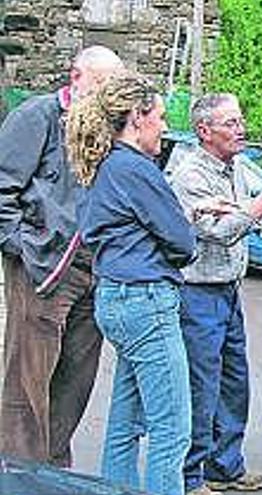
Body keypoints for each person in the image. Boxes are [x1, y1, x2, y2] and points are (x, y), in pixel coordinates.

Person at [167, 93, 262, 495]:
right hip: (197, 295)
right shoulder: (190, 176)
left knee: (235, 382)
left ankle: (225, 467)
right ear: (204, 130)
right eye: (231, 123)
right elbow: (224, 228)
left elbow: (249, 209)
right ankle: (191, 477)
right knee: (203, 386)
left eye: (240, 120)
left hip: (228, 292)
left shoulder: (231, 167)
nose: (241, 128)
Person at [67, 71, 197, 495]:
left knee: (125, 424)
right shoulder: (136, 169)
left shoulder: (106, 166)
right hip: (146, 303)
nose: (164, 126)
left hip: (116, 300)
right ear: (137, 118)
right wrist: (183, 226)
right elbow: (182, 243)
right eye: (159, 116)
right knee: (172, 430)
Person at [0, 45, 124, 466]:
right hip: (43, 266)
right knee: (27, 379)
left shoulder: (107, 129)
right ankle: (19, 473)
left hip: (94, 268)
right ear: (76, 76)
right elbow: (3, 187)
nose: (110, 94)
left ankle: (54, 469)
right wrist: (24, 246)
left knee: (76, 378)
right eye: (104, 83)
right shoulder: (38, 116)